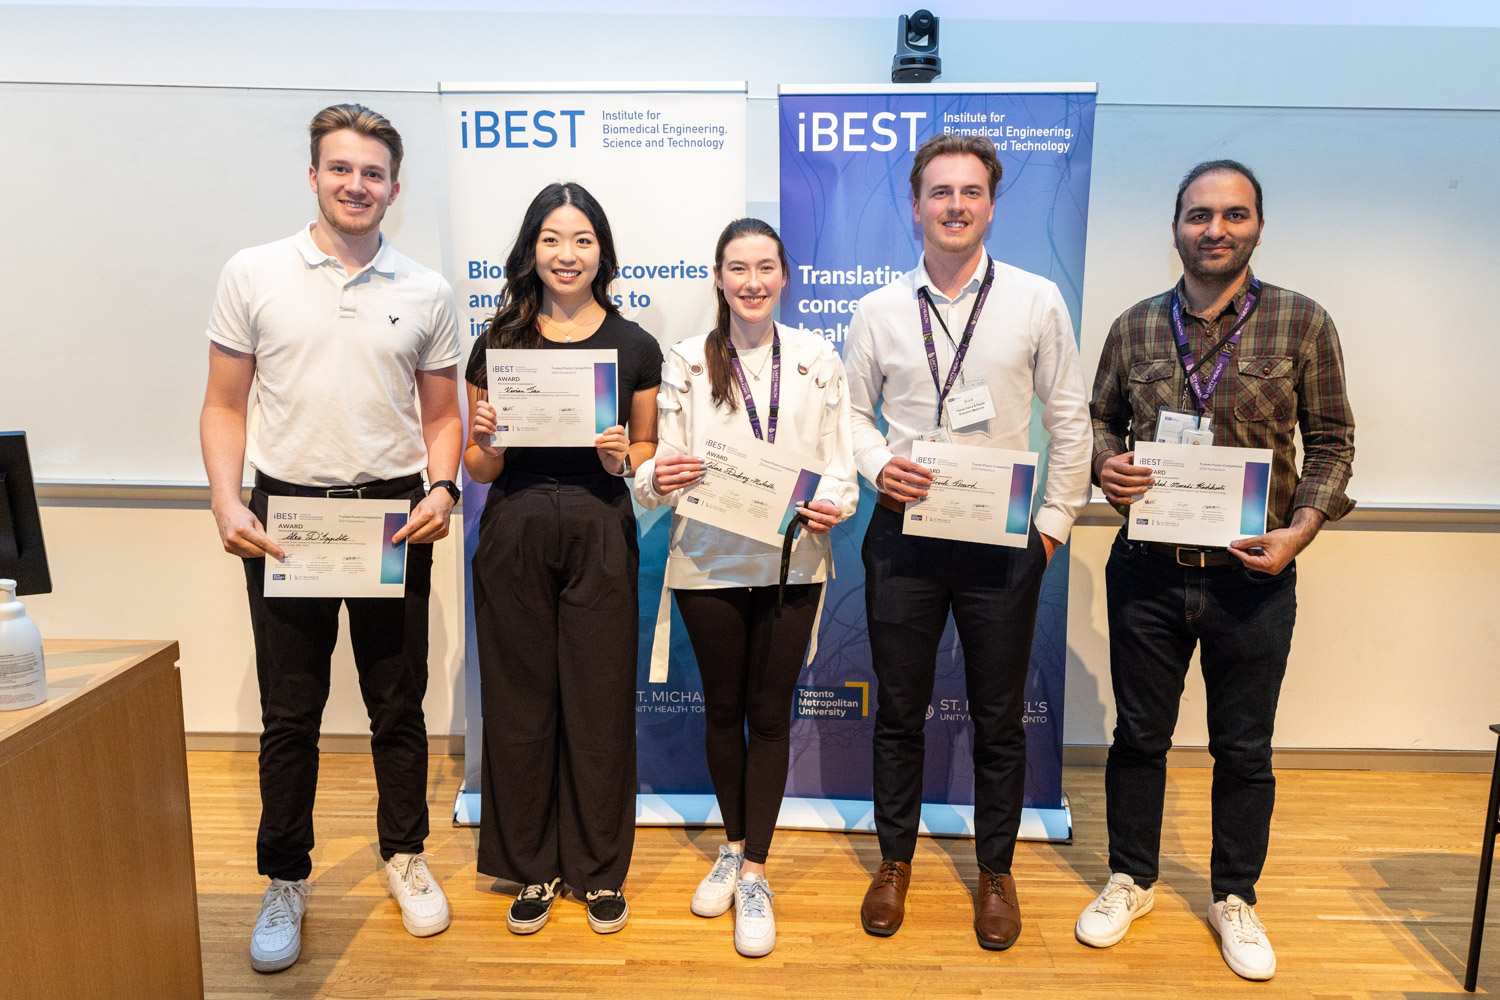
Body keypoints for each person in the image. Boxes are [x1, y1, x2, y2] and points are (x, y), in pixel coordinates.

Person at [199, 103, 463, 974]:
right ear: (313, 174)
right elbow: (224, 405)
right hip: (290, 519)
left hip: (392, 513)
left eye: (374, 173)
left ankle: (405, 855)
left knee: (398, 700)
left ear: (395, 186)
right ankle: (285, 879)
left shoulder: (427, 290)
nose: (358, 185)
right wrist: (226, 500)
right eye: (341, 169)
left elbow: (440, 416)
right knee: (291, 711)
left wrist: (442, 483)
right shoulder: (254, 272)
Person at [1077, 160, 1355, 981]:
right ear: (1176, 228)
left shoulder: (1303, 324)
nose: (1215, 230)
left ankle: (1235, 896)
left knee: (1244, 749)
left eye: (1233, 215)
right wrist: (1104, 466)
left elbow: (1332, 441)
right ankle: (1131, 878)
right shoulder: (1134, 327)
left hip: (1253, 572)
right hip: (1148, 572)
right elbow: (1097, 418)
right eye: (1199, 216)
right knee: (1139, 738)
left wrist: (1299, 532)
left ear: (1258, 227)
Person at [842, 133, 1091, 950]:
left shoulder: (1035, 300)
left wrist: (1051, 528)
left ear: (990, 203)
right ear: (915, 207)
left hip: (1001, 543)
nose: (955, 206)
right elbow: (848, 416)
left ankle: (994, 872)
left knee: (997, 718)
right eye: (940, 192)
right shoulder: (878, 310)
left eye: (971, 192)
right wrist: (879, 464)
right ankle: (894, 863)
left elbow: (1068, 419)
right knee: (900, 714)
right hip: (903, 538)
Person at [633, 218, 858, 957]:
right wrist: (652, 478)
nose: (752, 281)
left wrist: (838, 502)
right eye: (738, 267)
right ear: (719, 277)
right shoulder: (687, 361)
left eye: (765, 267)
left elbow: (840, 464)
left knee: (768, 714)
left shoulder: (818, 356)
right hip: (708, 558)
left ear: (785, 275)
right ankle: (732, 845)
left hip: (794, 559)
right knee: (722, 707)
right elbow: (661, 463)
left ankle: (755, 871)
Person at [463, 182, 661, 937]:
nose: (566, 254)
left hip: (599, 529)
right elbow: (479, 468)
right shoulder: (499, 342)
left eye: (581, 240)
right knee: (519, 705)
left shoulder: (634, 345)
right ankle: (531, 867)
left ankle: (599, 872)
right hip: (513, 527)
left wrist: (621, 455)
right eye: (552, 239)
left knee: (600, 702)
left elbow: (642, 453)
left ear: (602, 252)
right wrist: (490, 439)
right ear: (531, 250)